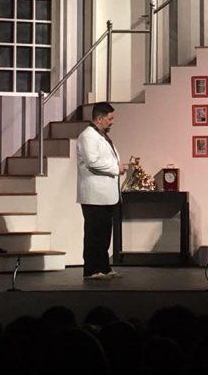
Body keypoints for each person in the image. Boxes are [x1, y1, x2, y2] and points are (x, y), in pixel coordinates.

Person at [77, 102, 127, 280]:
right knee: (94, 234)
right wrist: (116, 168)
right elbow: (92, 161)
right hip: (94, 195)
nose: (112, 122)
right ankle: (91, 269)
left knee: (104, 234)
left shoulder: (101, 136)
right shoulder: (88, 136)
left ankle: (104, 267)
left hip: (105, 195)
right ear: (99, 119)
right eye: (110, 118)